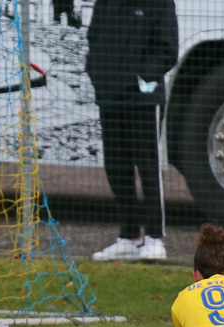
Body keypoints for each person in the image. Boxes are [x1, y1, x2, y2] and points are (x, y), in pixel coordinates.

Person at [85, 0, 178, 261]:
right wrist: (98, 74)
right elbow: (94, 37)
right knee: (116, 166)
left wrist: (142, 77)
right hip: (110, 95)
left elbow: (168, 48)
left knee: (148, 166)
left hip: (143, 99)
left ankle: (154, 238)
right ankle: (128, 236)